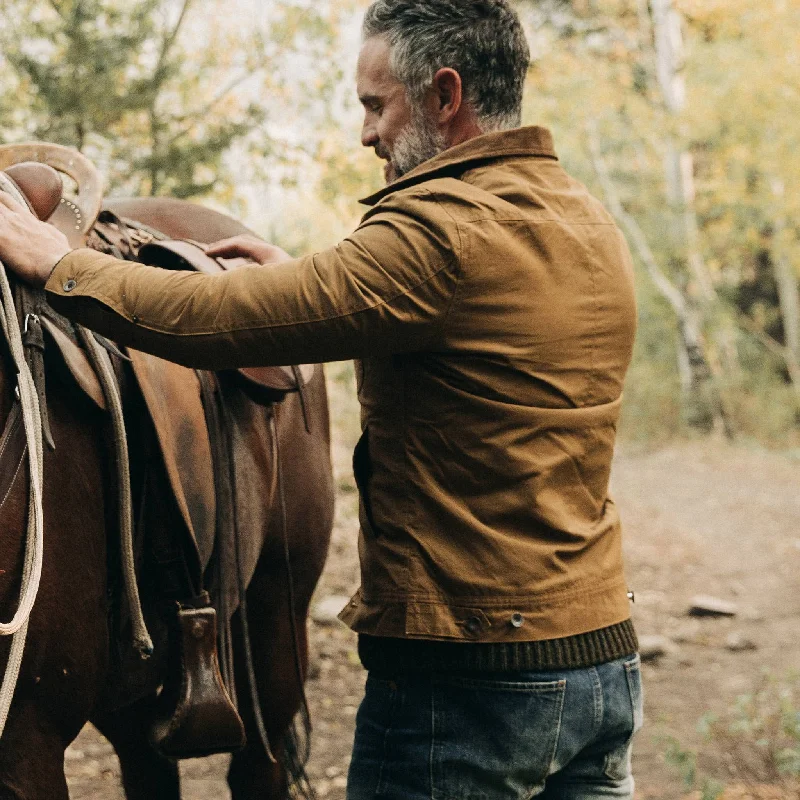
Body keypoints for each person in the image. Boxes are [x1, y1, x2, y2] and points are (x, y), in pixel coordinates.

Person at [0, 0, 642, 796]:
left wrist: (54, 263)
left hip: (464, 682)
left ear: (445, 95)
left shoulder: (438, 235)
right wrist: (305, 277)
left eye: (377, 105)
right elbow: (467, 327)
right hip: (600, 663)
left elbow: (220, 318)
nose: (365, 133)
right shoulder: (580, 218)